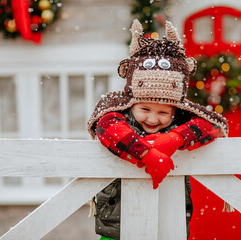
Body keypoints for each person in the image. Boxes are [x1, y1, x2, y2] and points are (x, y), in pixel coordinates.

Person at [87, 19, 229, 240]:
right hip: (117, 224)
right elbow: (106, 126)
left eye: (163, 113)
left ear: (175, 111)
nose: (153, 118)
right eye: (145, 108)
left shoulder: (180, 122)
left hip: (169, 219)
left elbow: (210, 126)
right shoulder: (118, 115)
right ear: (131, 103)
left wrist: (175, 138)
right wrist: (145, 153)